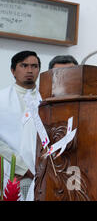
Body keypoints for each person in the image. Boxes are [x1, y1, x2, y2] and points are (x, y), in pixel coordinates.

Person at [0, 50, 42, 200]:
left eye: (34, 66)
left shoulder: (48, 99)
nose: (30, 70)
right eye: (24, 65)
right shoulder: (1, 99)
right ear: (13, 70)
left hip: (43, 170)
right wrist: (22, 167)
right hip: (11, 168)